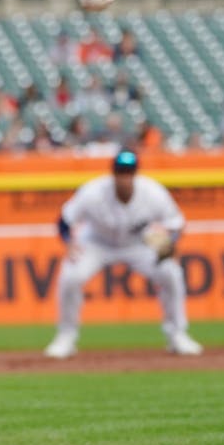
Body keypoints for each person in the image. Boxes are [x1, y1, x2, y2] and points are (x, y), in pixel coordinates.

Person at [44, 150, 203, 359]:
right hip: (96, 241)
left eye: (129, 172)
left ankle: (178, 335)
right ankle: (66, 336)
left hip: (141, 240)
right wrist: (69, 243)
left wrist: (170, 246)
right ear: (113, 173)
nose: (124, 177)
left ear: (135, 174)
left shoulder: (152, 192)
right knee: (71, 276)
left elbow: (176, 223)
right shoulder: (93, 192)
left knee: (171, 272)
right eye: (120, 172)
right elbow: (65, 219)